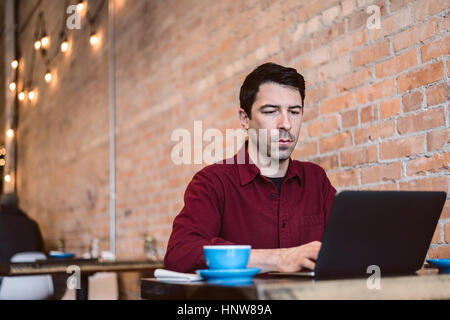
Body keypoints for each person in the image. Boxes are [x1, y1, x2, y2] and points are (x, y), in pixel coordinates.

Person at [164, 63, 337, 273]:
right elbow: (180, 254)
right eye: (271, 111)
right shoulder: (212, 182)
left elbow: (346, 246)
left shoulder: (315, 179)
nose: (286, 124)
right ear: (245, 119)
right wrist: (278, 259)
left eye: (294, 111)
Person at [0, 193, 45, 264]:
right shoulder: (32, 223)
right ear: (17, 204)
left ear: (1, 205)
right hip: (34, 272)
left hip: (7, 271)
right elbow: (41, 248)